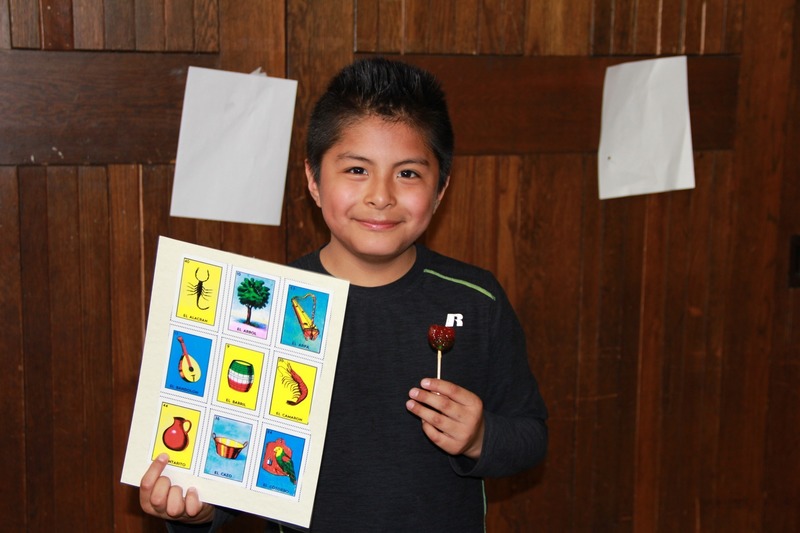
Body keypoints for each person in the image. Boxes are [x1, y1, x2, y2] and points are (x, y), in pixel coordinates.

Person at [140, 56, 548, 532]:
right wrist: (196, 511)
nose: (381, 195)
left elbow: (531, 435)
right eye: (356, 169)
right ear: (314, 180)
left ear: (441, 190)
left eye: (409, 174)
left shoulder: (476, 300)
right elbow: (229, 457)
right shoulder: (268, 305)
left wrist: (480, 437)